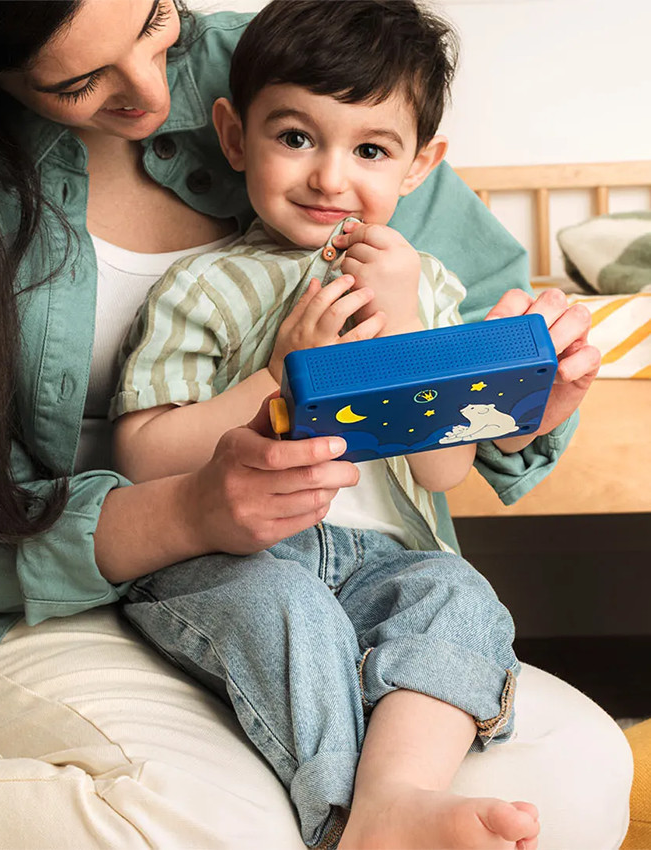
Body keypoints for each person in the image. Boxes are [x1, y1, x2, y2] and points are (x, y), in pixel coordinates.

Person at [0, 1, 630, 848]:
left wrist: (523, 404)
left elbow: (458, 426)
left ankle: (381, 809)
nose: (154, 93)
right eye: (82, 80)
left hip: (374, 564)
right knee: (225, 823)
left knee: (576, 776)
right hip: (74, 583)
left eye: (157, 20)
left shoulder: (304, 65)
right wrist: (219, 468)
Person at [109, 3, 561, 847]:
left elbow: (443, 475)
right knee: (287, 608)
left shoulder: (424, 286)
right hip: (235, 558)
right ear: (236, 138)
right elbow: (140, 455)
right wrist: (278, 377)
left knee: (459, 595)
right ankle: (343, 819)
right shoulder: (205, 285)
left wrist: (410, 334)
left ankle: (398, 796)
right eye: (295, 138)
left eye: (370, 150)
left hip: (386, 560)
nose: (329, 178)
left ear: (419, 166)